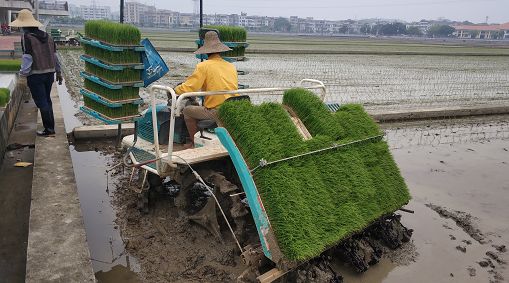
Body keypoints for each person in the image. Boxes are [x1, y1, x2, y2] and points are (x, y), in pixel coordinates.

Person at [175, 31, 239, 148]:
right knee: (197, 105)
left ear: (205, 51)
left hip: (216, 111)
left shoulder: (203, 66)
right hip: (231, 108)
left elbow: (190, 87)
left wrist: (176, 89)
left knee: (187, 110)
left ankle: (194, 143)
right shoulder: (231, 66)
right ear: (220, 50)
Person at [10, 9, 62, 137]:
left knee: (41, 102)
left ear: (24, 26)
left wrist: (23, 75)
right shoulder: (48, 36)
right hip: (50, 74)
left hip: (36, 75)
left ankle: (49, 129)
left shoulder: (27, 37)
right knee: (47, 100)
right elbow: (55, 56)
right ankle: (50, 127)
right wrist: (58, 71)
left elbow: (27, 57)